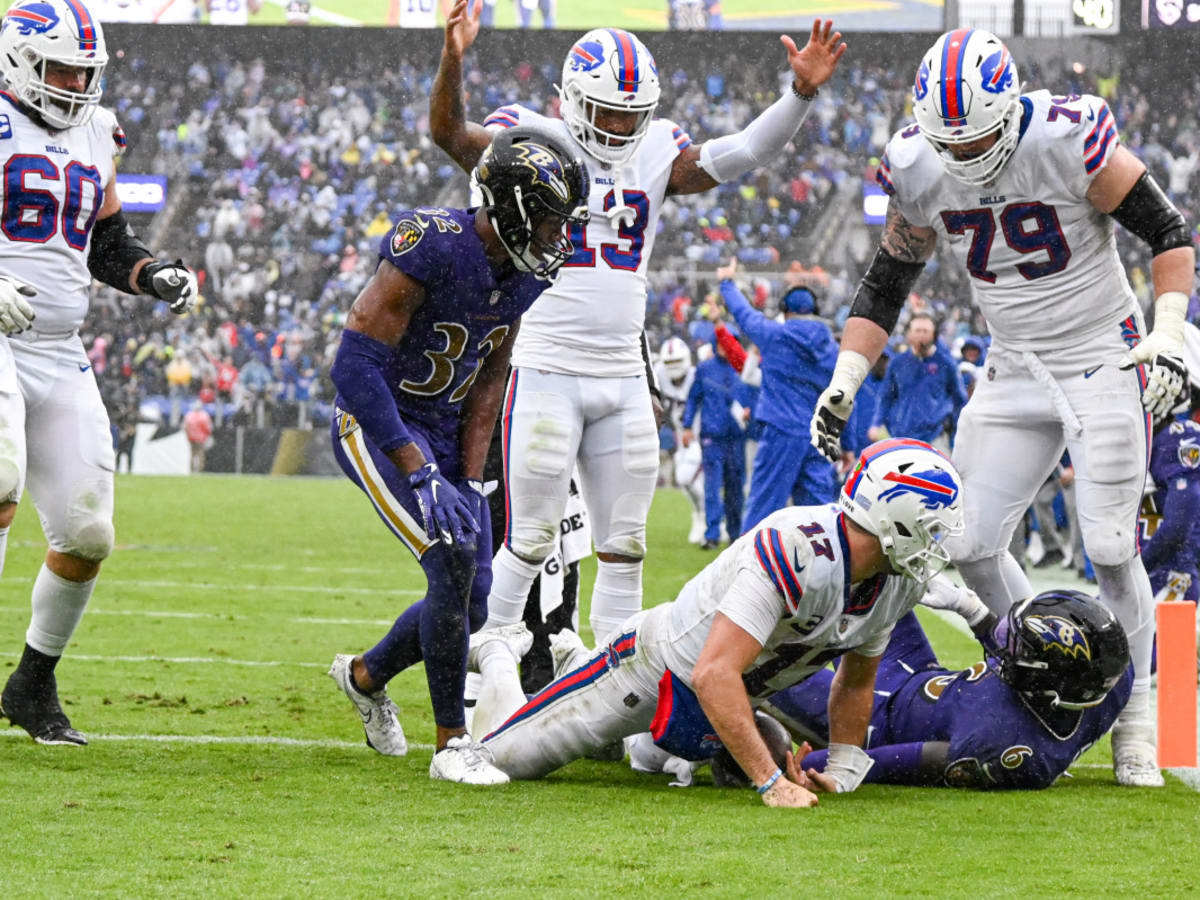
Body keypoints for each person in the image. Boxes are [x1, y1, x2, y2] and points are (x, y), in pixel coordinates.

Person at [808, 28, 1196, 787]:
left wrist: (1172, 332)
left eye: (979, 136)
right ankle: (1040, 666)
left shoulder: (1062, 134)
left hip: (1103, 352)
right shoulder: (919, 161)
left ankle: (1141, 717)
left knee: (1116, 548)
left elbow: (1166, 229)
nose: (965, 154)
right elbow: (888, 280)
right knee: (970, 539)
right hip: (1012, 361)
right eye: (951, 143)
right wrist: (847, 376)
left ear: (1011, 109)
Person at [431, 1, 846, 648]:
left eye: (633, 111)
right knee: (531, 536)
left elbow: (744, 151)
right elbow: (450, 134)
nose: (622, 124)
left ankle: (612, 692)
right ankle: (484, 671)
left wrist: (797, 94)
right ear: (571, 100)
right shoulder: (527, 135)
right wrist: (452, 57)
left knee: (626, 546)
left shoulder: (655, 149)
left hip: (623, 373)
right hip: (543, 362)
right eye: (608, 110)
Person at [466, 439, 966, 808]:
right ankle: (497, 655)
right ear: (895, 517)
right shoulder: (797, 547)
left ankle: (589, 677)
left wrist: (842, 770)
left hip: (723, 697)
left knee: (755, 750)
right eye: (934, 524)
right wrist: (773, 784)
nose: (939, 541)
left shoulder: (898, 581)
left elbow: (856, 682)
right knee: (496, 762)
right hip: (650, 671)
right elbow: (713, 673)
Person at [325, 126, 590, 784]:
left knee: (473, 601)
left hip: (445, 429)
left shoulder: (524, 276)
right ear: (514, 208)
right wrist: (415, 465)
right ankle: (452, 745)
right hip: (377, 419)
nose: (560, 237)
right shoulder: (434, 245)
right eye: (552, 221)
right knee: (449, 560)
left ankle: (365, 676)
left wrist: (469, 479)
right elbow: (353, 366)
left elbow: (492, 376)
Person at [0, 0, 198, 746]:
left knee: (87, 532)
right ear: (18, 60)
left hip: (58, 343)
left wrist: (153, 273)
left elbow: (106, 240)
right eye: (61, 69)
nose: (75, 84)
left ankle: (31, 682)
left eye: (87, 71)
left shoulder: (95, 128)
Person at [762, 590, 1132, 789]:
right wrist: (972, 611)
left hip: (873, 718)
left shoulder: (1007, 748)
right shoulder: (1111, 678)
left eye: (1020, 650)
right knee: (872, 575)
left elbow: (887, 763)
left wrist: (812, 767)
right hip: (917, 669)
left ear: (1047, 684)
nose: (1003, 645)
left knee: (752, 666)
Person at [714, 259, 838, 532]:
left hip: (782, 431)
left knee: (763, 508)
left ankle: (749, 569)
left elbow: (744, 314)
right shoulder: (832, 347)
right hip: (821, 435)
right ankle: (826, 571)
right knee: (819, 514)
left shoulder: (774, 335)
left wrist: (727, 282)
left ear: (785, 311)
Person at [681, 332, 751, 550]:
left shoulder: (745, 369)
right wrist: (687, 425)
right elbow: (693, 398)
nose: (723, 346)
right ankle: (711, 535)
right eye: (721, 341)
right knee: (712, 486)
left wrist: (752, 414)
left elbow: (755, 398)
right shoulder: (705, 369)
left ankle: (734, 534)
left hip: (737, 439)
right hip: (712, 437)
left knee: (735, 489)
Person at [869, 312, 966, 452]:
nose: (921, 335)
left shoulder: (946, 363)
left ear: (934, 334)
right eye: (917, 331)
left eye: (926, 331)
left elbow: (960, 400)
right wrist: (876, 423)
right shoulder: (897, 363)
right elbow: (886, 397)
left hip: (935, 436)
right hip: (901, 436)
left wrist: (957, 435)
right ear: (909, 334)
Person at [655, 337, 705, 545]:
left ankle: (703, 516)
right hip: (680, 434)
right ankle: (700, 514)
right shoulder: (659, 374)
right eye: (669, 363)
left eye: (676, 362)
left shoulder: (696, 376)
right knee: (687, 482)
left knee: (686, 478)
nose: (673, 368)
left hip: (699, 434)